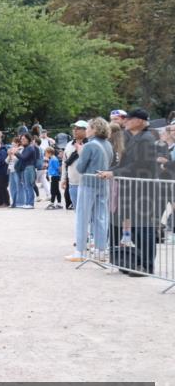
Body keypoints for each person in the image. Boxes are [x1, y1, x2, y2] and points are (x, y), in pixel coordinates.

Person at [97, 108, 160, 275]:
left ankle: (146, 266)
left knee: (144, 229)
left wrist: (114, 173)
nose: (125, 121)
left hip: (143, 191)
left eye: (129, 119)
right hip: (132, 190)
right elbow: (124, 164)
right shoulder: (133, 138)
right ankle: (137, 262)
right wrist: (108, 171)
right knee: (135, 230)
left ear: (139, 121)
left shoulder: (146, 139)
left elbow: (140, 165)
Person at [68, 117, 113, 262]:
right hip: (103, 184)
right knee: (101, 217)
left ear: (94, 129)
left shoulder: (89, 146)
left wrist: (81, 153)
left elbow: (80, 168)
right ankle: (101, 250)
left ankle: (79, 251)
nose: (86, 130)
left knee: (82, 217)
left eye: (88, 128)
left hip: (88, 183)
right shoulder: (108, 144)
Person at [62, 120, 87, 212]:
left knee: (88, 212)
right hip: (72, 183)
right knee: (77, 211)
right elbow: (65, 162)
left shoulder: (90, 145)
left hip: (86, 183)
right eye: (74, 128)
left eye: (78, 128)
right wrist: (64, 178)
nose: (75, 130)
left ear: (86, 130)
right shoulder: (69, 145)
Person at [15, 133, 38, 209]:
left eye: (24, 139)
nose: (22, 141)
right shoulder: (26, 148)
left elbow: (24, 158)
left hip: (29, 168)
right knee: (26, 186)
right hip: (26, 168)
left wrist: (16, 153)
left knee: (29, 186)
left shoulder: (30, 148)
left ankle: (30, 203)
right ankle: (28, 202)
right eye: (21, 139)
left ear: (28, 139)